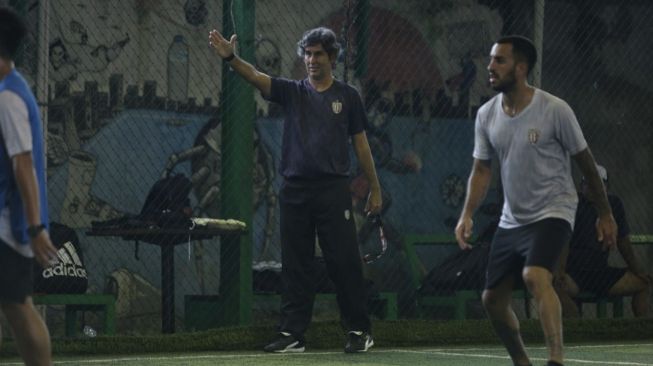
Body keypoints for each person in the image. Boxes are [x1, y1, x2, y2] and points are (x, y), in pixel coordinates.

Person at [209, 27, 382, 353]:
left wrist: (375, 188)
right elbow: (257, 77)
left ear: (332, 57)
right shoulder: (292, 91)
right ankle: (292, 335)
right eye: (307, 54)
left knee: (343, 262)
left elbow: (361, 144)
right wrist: (231, 58)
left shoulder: (348, 97)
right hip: (295, 191)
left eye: (318, 54)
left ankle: (359, 331)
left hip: (333, 190)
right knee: (296, 264)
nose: (312, 60)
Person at [454, 35, 617, 366]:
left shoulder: (555, 110)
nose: (490, 66)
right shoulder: (486, 115)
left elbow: (585, 162)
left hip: (554, 209)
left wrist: (605, 213)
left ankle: (555, 359)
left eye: (500, 60)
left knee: (534, 276)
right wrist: (467, 214)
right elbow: (482, 169)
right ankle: (522, 361)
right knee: (492, 299)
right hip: (512, 219)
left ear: (521, 67)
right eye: (491, 59)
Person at [0, 6, 59, 366]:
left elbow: (24, 164)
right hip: (12, 223)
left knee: (20, 308)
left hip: (9, 225)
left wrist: (36, 227)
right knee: (16, 306)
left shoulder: (8, 97)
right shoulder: (12, 89)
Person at [556, 165, 650, 317]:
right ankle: (578, 331)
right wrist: (560, 271)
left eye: (598, 185)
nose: (593, 189)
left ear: (606, 187)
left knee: (643, 282)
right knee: (556, 286)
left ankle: (642, 330)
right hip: (574, 273)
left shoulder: (614, 204)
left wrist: (638, 270)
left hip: (601, 273)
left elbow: (623, 242)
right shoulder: (573, 203)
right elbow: (563, 240)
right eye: (589, 184)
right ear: (582, 186)